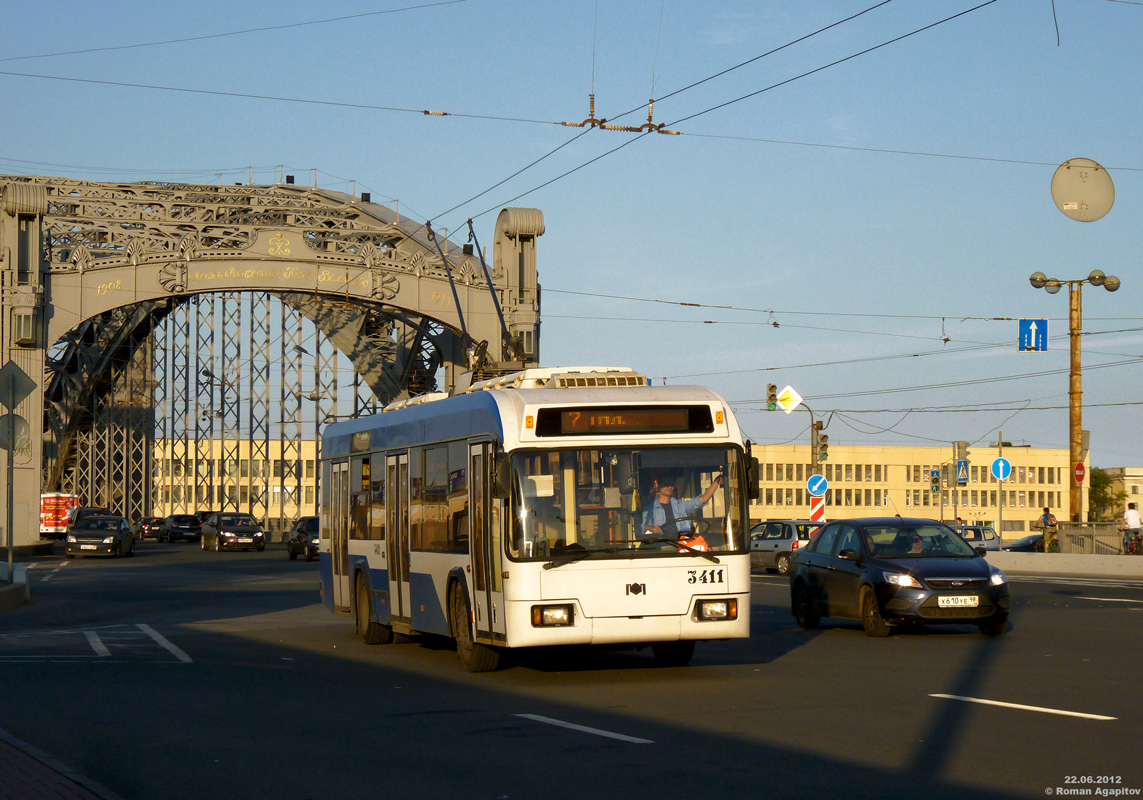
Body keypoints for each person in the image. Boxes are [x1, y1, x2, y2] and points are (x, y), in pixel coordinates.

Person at [641, 472, 723, 539]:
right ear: (659, 486)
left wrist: (716, 482)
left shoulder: (681, 505)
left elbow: (703, 499)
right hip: (663, 545)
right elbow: (645, 527)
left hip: (683, 544)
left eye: (671, 484)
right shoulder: (650, 508)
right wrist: (653, 529)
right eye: (666, 484)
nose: (670, 487)